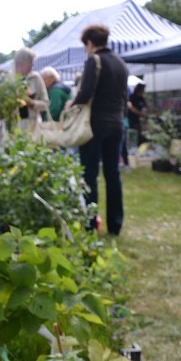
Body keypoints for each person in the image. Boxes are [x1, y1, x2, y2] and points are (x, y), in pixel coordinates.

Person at [70, 24, 129, 236]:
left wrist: (72, 105)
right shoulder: (121, 63)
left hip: (94, 126)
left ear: (90, 43)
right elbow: (125, 97)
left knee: (90, 175)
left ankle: (90, 224)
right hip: (117, 124)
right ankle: (115, 224)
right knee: (113, 175)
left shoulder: (94, 61)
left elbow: (85, 93)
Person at [12, 48, 49, 130]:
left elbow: (46, 103)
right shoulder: (10, 81)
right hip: (15, 127)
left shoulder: (36, 78)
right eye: (30, 62)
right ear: (20, 63)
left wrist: (32, 103)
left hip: (34, 126)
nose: (32, 66)